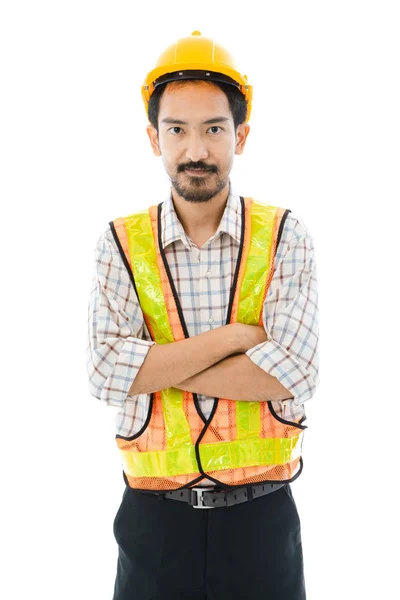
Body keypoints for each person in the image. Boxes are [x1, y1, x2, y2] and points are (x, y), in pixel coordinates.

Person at [86, 30, 320, 600]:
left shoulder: (285, 235)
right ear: (153, 138)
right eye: (177, 130)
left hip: (262, 524)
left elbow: (295, 374)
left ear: (240, 134)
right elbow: (103, 374)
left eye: (214, 128)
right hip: (153, 527)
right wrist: (236, 339)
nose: (196, 149)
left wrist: (154, 366)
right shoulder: (120, 243)